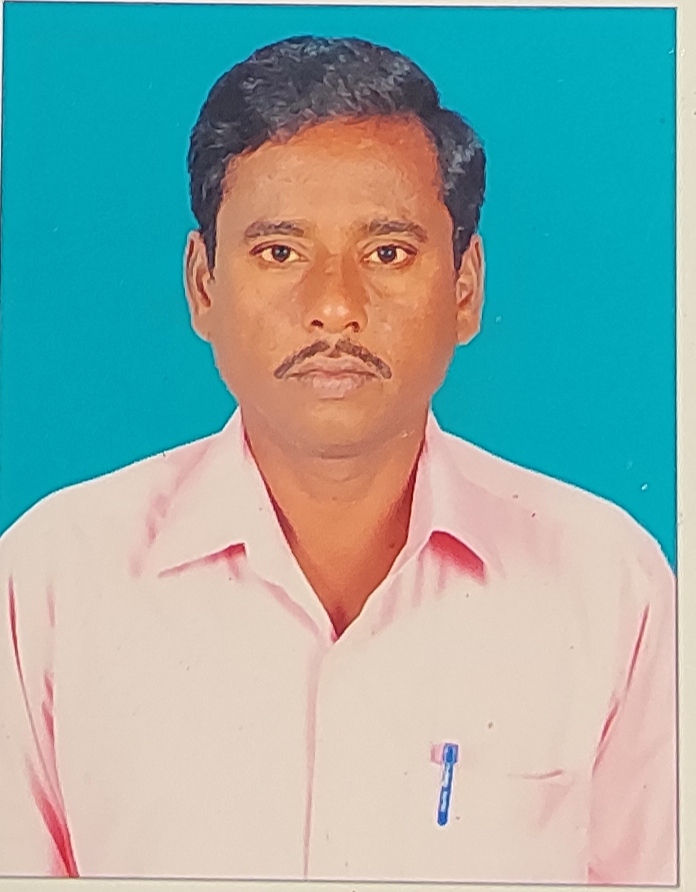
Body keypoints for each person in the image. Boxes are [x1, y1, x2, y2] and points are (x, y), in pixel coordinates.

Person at [0, 36, 676, 885]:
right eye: (279, 252)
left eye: (387, 253)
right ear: (203, 286)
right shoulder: (51, 581)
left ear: (465, 288)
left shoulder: (607, 585)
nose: (333, 307)